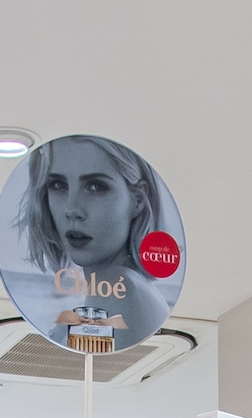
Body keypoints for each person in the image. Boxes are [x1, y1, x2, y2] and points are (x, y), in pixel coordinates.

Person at [9, 136, 176, 351]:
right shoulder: (124, 287)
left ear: (137, 200)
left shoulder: (122, 288)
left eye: (96, 187)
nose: (72, 209)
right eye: (59, 185)